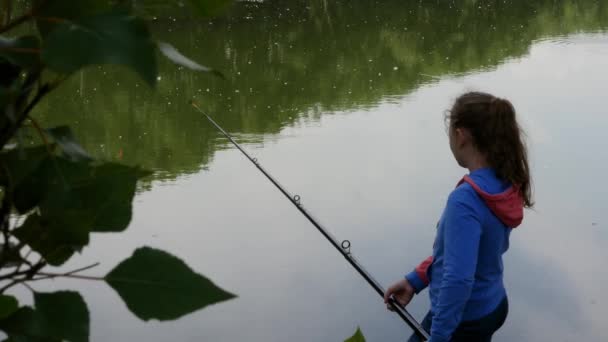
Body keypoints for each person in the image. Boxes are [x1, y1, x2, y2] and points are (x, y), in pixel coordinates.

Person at [383, 92, 533, 342]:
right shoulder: (505, 183)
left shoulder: (465, 200)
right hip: (493, 304)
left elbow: (458, 278)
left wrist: (439, 336)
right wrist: (415, 280)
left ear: (461, 136)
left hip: (464, 319)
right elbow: (462, 252)